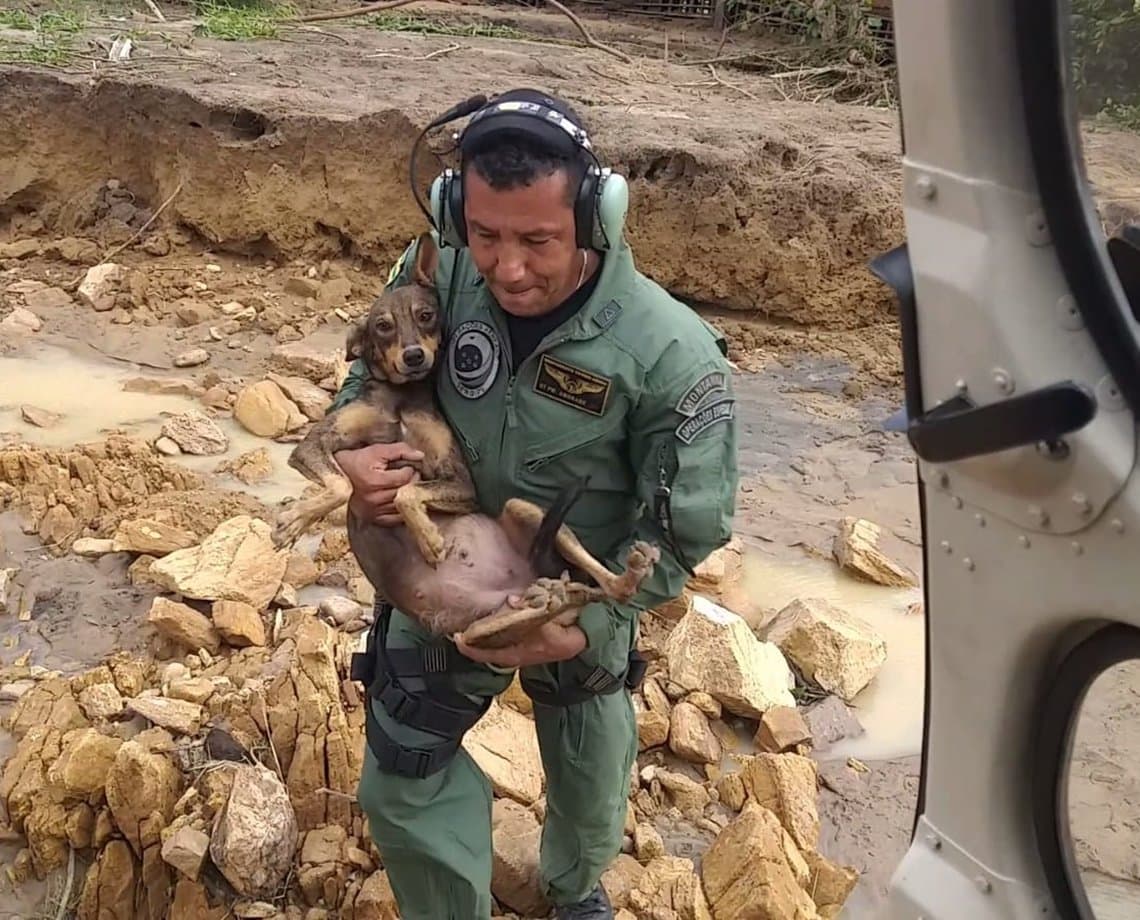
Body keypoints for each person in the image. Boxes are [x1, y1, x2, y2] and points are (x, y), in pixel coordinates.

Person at [329, 88, 739, 920]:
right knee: (403, 773)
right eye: (484, 234)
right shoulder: (434, 274)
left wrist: (585, 624)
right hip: (444, 568)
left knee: (588, 781)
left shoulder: (669, 352)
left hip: (572, 598)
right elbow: (363, 382)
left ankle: (572, 886)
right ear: (454, 213)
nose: (508, 267)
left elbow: (682, 531)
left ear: (595, 218)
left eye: (538, 240)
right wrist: (361, 457)